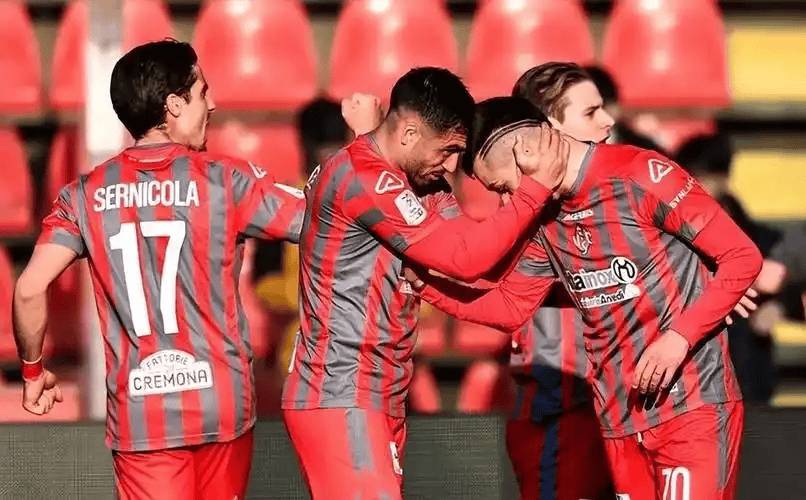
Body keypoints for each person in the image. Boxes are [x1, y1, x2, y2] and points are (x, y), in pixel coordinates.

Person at [412, 93, 763, 500]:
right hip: (619, 417)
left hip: (690, 404)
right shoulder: (543, 217)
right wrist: (426, 285)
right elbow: (510, 307)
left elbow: (742, 257)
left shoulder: (640, 173)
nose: (507, 202)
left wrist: (678, 338)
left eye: (503, 187)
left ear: (524, 150)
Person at [12, 40, 305, 500]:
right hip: (221, 408)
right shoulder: (226, 180)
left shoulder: (84, 195)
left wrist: (33, 373)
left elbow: (30, 289)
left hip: (142, 419)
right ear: (174, 104)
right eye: (202, 92)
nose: (213, 103)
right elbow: (322, 221)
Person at [281, 67, 569, 500]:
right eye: (448, 149)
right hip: (341, 391)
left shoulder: (419, 181)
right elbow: (465, 259)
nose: (452, 165)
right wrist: (535, 189)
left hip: (380, 392)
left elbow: (478, 257)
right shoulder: (362, 176)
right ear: (410, 133)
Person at [507, 62, 615, 500]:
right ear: (550, 129)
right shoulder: (527, 207)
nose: (609, 121)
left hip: (626, 406)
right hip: (564, 406)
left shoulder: (621, 188)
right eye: (591, 113)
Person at [677, 133, 785, 403]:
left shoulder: (760, 239)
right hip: (688, 375)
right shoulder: (666, 233)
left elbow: (789, 283)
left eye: (701, 177)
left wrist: (779, 305)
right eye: (687, 178)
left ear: (723, 177)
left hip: (746, 373)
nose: (694, 186)